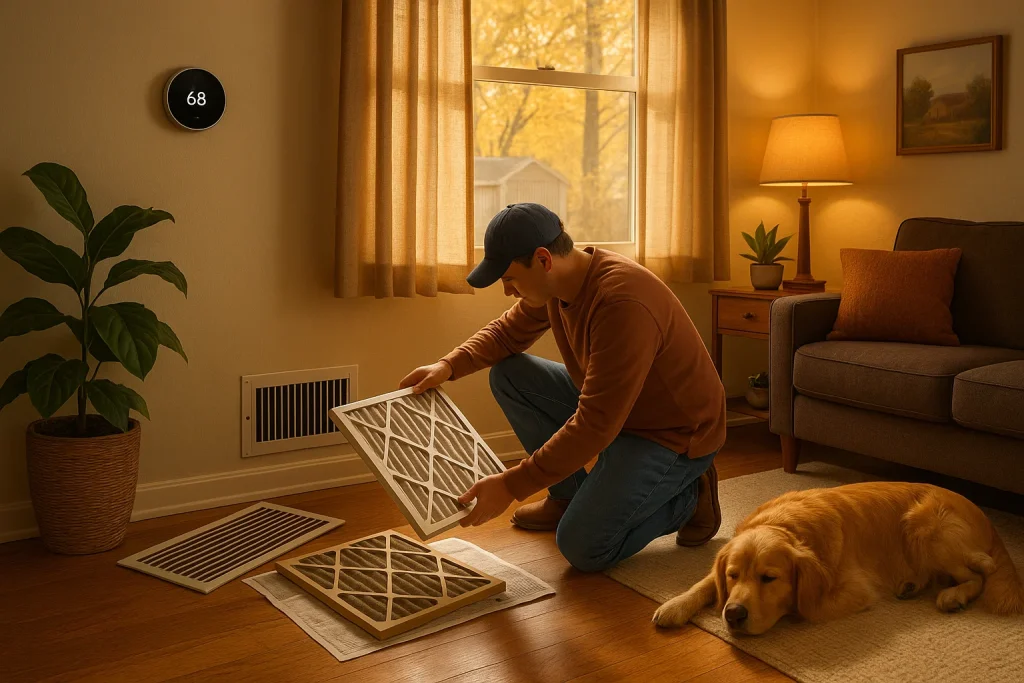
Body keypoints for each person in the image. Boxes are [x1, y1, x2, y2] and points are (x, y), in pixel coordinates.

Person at [399, 203, 727, 572]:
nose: (507, 291)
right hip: (620, 413)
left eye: (509, 278)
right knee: (510, 374)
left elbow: (595, 425)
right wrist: (447, 366)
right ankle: (568, 495)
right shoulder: (561, 282)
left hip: (673, 434)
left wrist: (511, 485)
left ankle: (687, 498)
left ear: (543, 259)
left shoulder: (622, 302)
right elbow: (507, 332)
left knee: (583, 547)